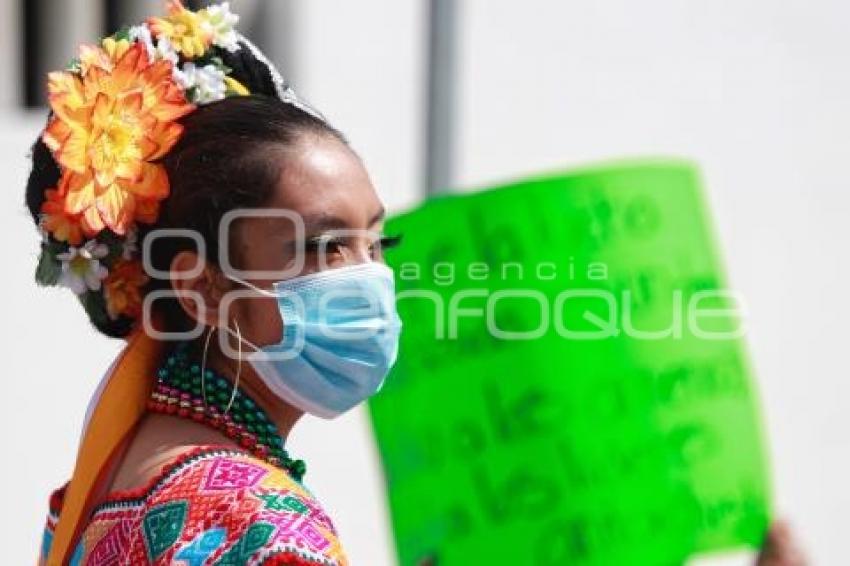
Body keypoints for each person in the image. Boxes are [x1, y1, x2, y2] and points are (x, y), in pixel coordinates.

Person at [25, 2, 805, 565]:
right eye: (325, 248)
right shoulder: (251, 519)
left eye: (378, 243)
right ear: (200, 290)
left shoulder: (112, 482)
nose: (368, 281)